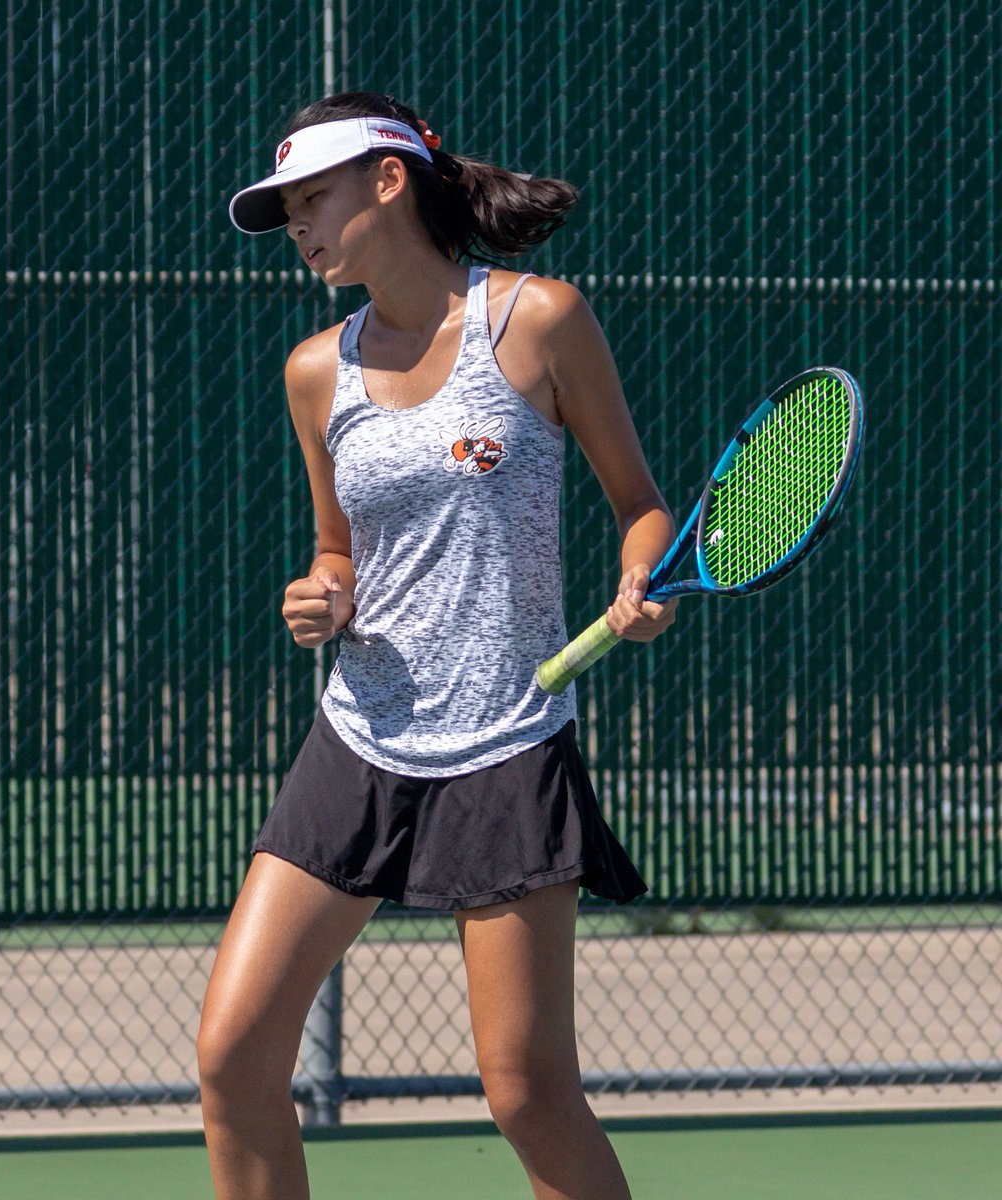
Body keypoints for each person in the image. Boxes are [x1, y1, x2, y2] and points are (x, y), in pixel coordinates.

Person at [198, 91, 678, 1200]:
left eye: (312, 201)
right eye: (286, 215)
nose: (301, 232)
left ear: (387, 179)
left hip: (509, 743)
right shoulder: (316, 372)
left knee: (524, 1093)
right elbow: (338, 552)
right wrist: (322, 596)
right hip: (359, 738)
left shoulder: (542, 321)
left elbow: (639, 505)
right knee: (234, 1058)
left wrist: (640, 576)